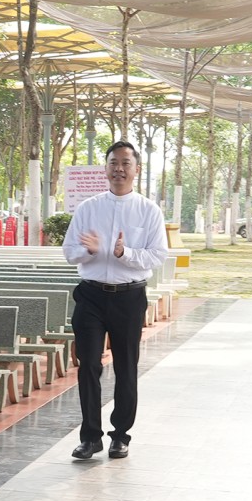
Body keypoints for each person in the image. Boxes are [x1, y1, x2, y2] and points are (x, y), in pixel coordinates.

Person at [63, 141, 168, 460]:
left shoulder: (148, 210)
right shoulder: (88, 208)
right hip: (91, 295)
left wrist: (126, 253)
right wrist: (89, 251)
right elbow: (69, 252)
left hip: (129, 297)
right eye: (113, 163)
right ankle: (90, 437)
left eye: (125, 163)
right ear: (105, 168)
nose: (118, 169)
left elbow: (158, 255)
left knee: (126, 367)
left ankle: (120, 435)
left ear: (136, 169)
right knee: (88, 365)